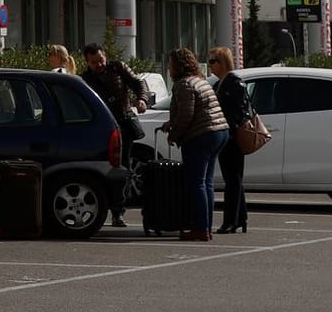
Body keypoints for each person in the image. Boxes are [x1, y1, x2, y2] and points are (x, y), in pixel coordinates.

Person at [159, 47, 229, 242]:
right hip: (219, 132)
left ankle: (199, 228)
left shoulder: (184, 84)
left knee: (196, 183)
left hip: (202, 136)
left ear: (177, 66)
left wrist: (175, 134)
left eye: (171, 63)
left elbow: (187, 115)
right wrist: (171, 123)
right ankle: (206, 226)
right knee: (206, 183)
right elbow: (195, 110)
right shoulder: (201, 81)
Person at [80, 43, 147, 227]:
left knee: (122, 170)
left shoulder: (117, 67)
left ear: (105, 56)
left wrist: (141, 99)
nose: (99, 65)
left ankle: (118, 212)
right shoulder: (84, 79)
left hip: (123, 125)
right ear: (87, 62)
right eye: (94, 62)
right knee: (101, 170)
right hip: (101, 129)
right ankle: (102, 209)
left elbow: (138, 83)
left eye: (100, 60)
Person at [207, 46, 249, 234]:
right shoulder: (218, 84)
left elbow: (241, 111)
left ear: (223, 62)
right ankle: (240, 217)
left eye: (213, 61)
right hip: (224, 135)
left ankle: (231, 221)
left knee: (233, 179)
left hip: (232, 136)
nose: (210, 65)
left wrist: (229, 129)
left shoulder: (234, 82)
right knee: (233, 178)